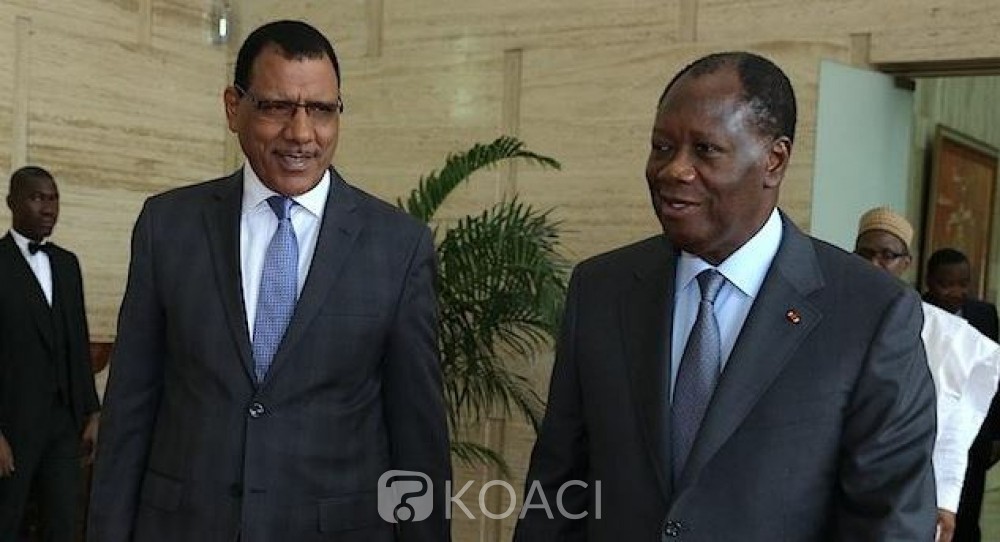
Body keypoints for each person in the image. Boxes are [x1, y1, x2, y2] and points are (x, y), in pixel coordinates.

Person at [513, 52, 937, 541]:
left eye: (705, 150)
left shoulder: (870, 312)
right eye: (662, 147)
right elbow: (558, 487)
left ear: (774, 161)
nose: (674, 170)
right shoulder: (601, 289)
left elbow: (890, 521)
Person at [87, 20, 451, 542]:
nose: (301, 133)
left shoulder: (398, 246)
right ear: (234, 107)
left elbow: (418, 440)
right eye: (278, 107)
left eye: (321, 110)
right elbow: (129, 410)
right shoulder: (167, 227)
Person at [854, 207, 1000, 542]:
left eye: (887, 255)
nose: (875, 264)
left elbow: (954, 421)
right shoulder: (831, 313)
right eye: (865, 254)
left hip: (905, 486)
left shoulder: (946, 334)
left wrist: (946, 498)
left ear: (906, 263)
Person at [0, 166, 100, 541]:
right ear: (12, 203)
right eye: (37, 198)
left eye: (54, 198)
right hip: (11, 425)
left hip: (63, 424)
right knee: (6, 520)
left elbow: (78, 340)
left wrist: (92, 411)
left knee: (63, 523)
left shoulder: (67, 264)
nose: (48, 208)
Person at [922, 247, 1000, 542]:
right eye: (947, 284)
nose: (956, 292)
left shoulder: (985, 314)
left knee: (968, 515)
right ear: (930, 281)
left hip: (976, 439)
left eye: (963, 284)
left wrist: (995, 434)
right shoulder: (916, 312)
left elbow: (992, 378)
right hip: (937, 434)